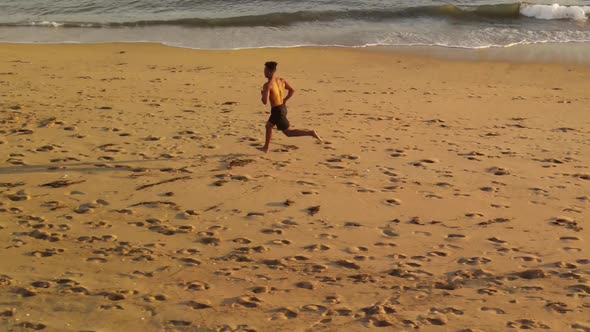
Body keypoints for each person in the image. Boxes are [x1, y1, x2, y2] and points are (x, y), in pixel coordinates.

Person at [259, 61, 321, 153]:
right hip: (282, 108)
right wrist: (285, 100)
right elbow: (292, 90)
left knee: (288, 133)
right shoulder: (281, 81)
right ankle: (266, 148)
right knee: (268, 126)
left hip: (277, 111)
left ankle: (310, 133)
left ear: (269, 71)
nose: (264, 72)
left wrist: (262, 94)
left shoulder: (267, 85)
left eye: (265, 70)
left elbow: (264, 102)